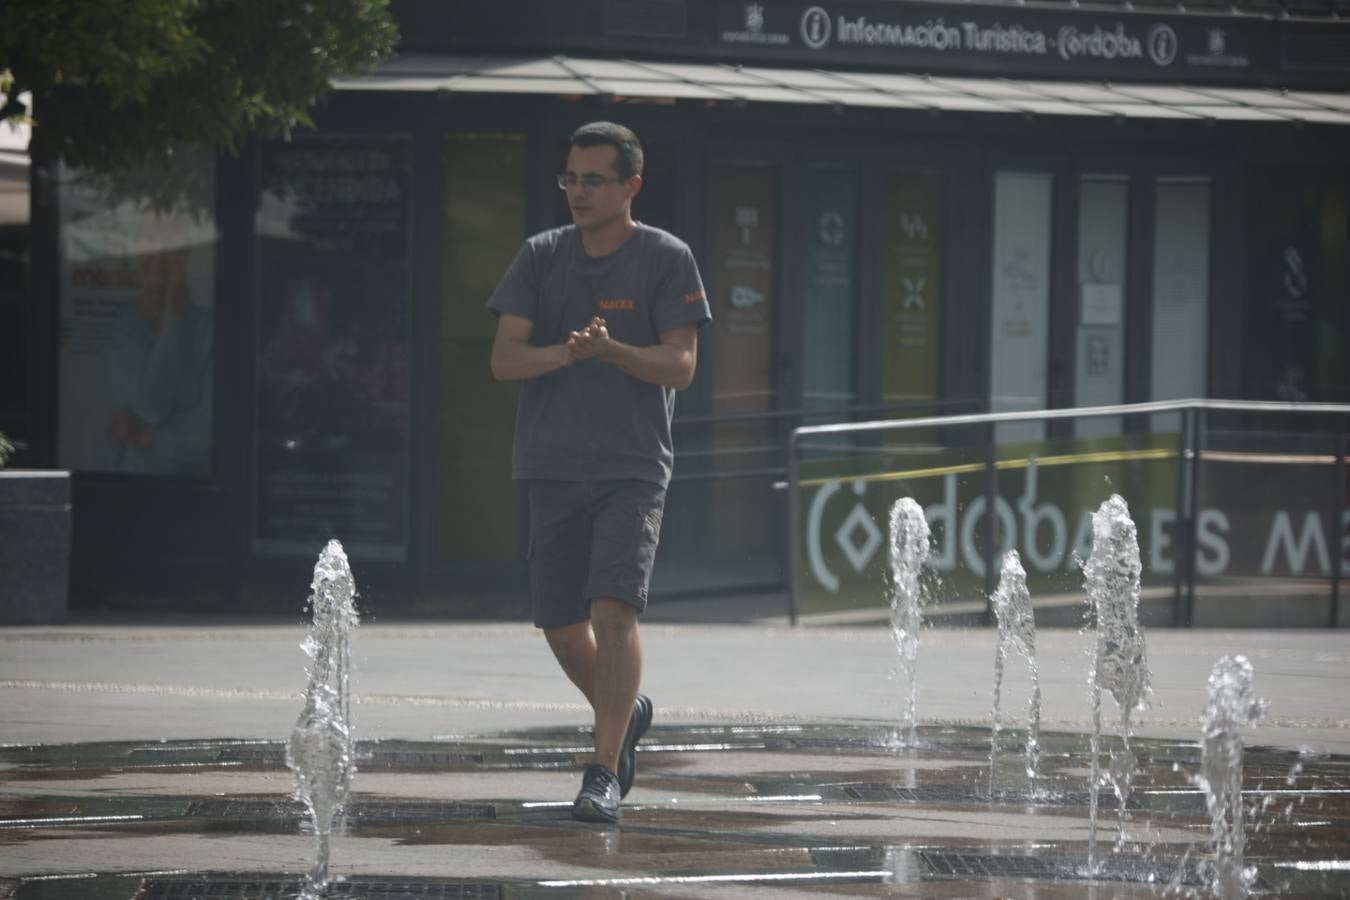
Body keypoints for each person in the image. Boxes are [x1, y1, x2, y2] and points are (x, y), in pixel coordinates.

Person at [487, 122, 711, 823]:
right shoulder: (540, 255)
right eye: (571, 179)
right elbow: (504, 359)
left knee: (614, 609)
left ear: (631, 186)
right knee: (560, 624)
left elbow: (681, 365)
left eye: (594, 180)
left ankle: (603, 771)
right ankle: (627, 708)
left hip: (632, 467)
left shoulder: (667, 258)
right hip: (551, 463)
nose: (578, 192)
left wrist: (615, 352)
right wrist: (568, 352)